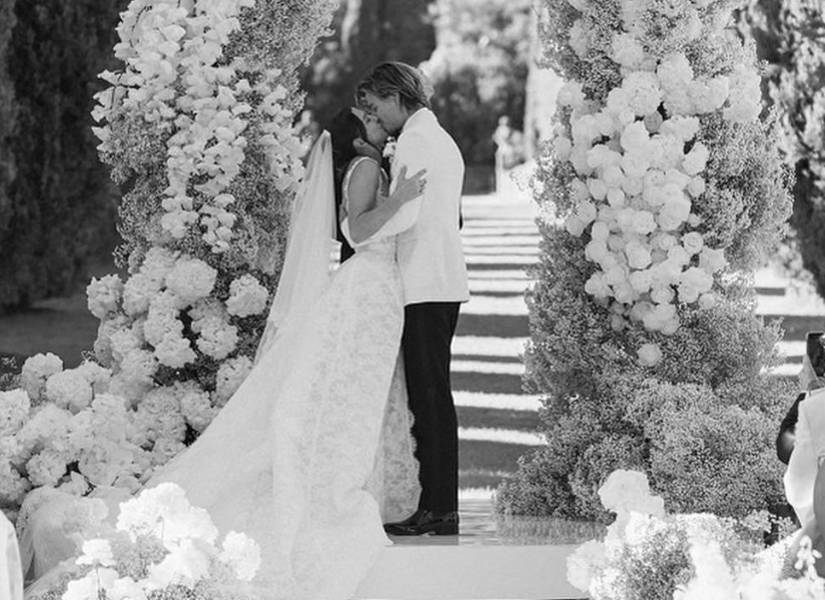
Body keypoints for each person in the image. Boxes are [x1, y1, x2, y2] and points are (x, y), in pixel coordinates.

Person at [20, 107, 427, 600]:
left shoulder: (369, 166)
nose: (381, 123)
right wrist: (401, 197)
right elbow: (360, 232)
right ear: (359, 136)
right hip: (369, 285)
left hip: (373, 290)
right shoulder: (366, 169)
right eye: (371, 119)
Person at [357, 61, 470, 536]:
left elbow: (406, 215)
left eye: (379, 103)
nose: (377, 114)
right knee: (431, 395)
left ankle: (440, 508)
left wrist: (366, 234)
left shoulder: (417, 141)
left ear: (398, 96)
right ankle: (438, 505)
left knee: (430, 398)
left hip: (425, 282)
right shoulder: (439, 138)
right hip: (440, 278)